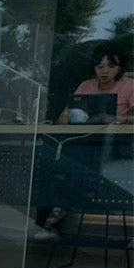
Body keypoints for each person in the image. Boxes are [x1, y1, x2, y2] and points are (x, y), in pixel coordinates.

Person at [36, 45, 134, 239]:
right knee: (52, 166)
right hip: (82, 143)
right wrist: (77, 117)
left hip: (115, 146)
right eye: (99, 66)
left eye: (111, 66)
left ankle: (58, 216)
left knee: (70, 169)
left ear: (120, 67)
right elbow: (63, 118)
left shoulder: (130, 85)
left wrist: (116, 118)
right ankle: (46, 221)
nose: (105, 71)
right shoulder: (86, 86)